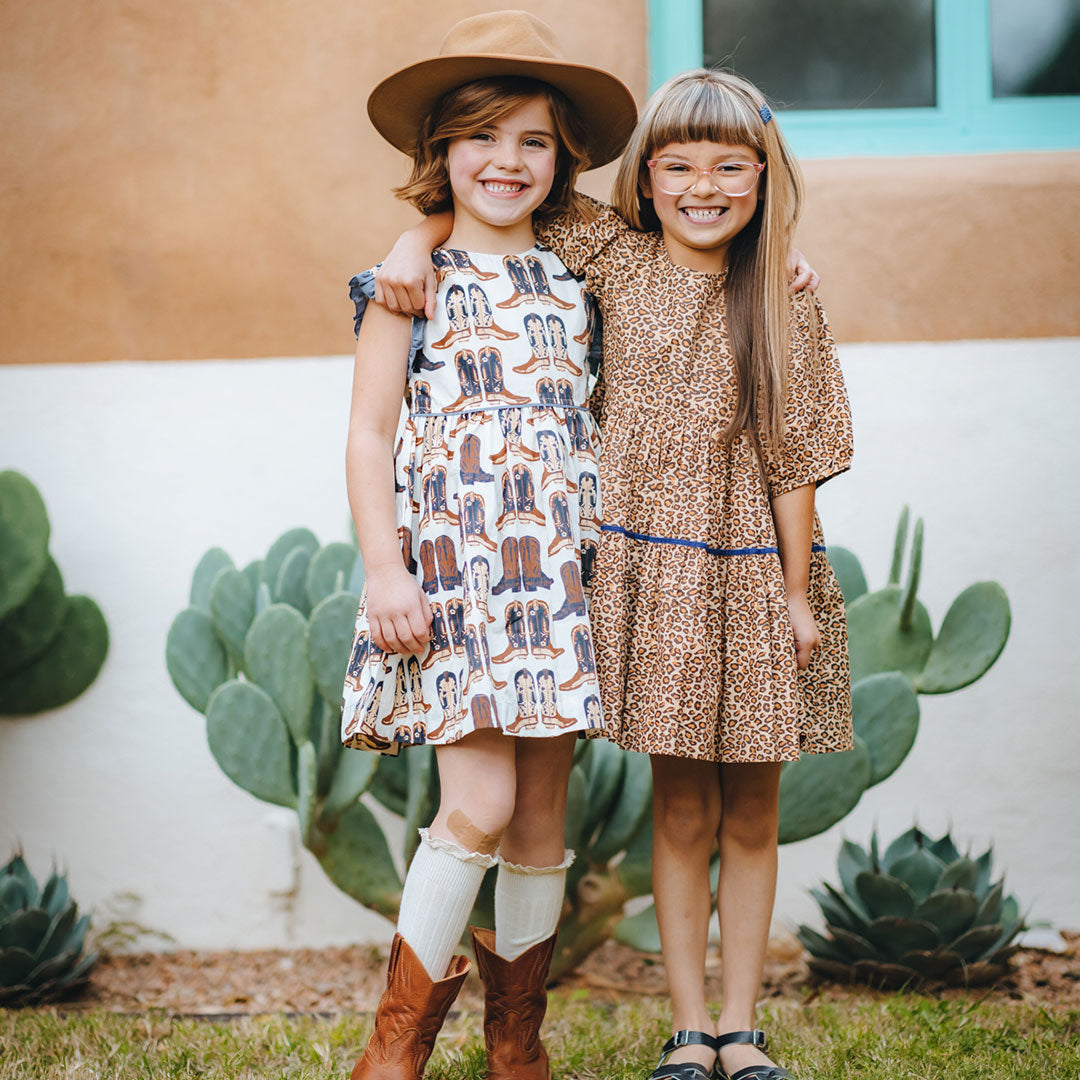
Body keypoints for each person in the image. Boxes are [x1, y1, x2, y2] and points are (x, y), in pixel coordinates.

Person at [376, 67, 852, 1080]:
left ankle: (736, 1029)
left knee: (750, 812)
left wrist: (800, 591)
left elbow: (798, 455)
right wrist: (410, 240)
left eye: (732, 168)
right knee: (675, 809)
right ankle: (681, 1033)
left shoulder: (784, 303)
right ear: (643, 183)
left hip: (753, 571)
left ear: (768, 180)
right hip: (641, 569)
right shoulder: (615, 259)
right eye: (677, 166)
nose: (703, 186)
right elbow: (497, 210)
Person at [340, 11, 639, 1080]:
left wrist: (787, 277)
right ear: (442, 152)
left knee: (540, 823)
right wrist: (385, 568)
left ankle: (517, 1040)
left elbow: (700, 273)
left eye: (534, 142)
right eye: (482, 137)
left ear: (561, 162)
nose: (506, 161)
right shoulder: (408, 283)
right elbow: (370, 432)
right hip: (454, 575)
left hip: (560, 577)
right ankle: (396, 1043)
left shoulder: (583, 281)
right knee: (479, 803)